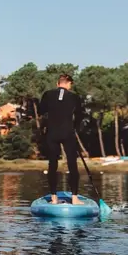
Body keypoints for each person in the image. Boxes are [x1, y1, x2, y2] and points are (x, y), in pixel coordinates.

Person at [39, 73, 84, 205]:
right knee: (72, 164)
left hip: (52, 133)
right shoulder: (74, 97)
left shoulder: (47, 94)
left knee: (52, 164)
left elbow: (41, 111)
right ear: (69, 84)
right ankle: (74, 198)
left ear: (57, 84)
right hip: (67, 132)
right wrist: (76, 129)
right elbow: (80, 116)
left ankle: (54, 198)